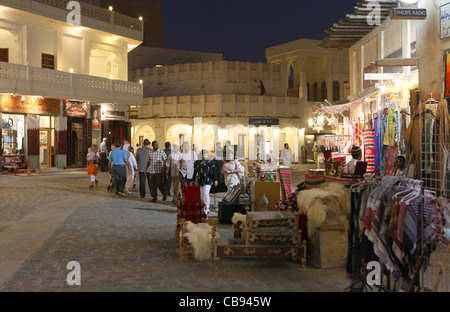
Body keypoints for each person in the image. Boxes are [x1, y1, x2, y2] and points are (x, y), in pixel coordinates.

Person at [194, 150, 218, 215]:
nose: (205, 156)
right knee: (201, 195)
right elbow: (195, 172)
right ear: (201, 155)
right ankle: (202, 207)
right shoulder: (197, 162)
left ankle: (207, 208)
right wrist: (194, 179)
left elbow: (214, 171)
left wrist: (215, 179)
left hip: (208, 180)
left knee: (206, 194)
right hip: (200, 180)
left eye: (206, 155)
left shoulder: (210, 162)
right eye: (203, 155)